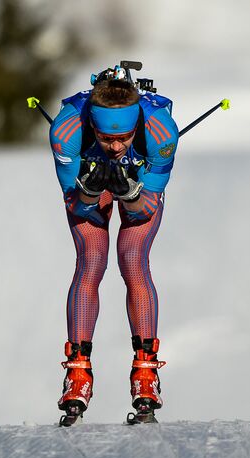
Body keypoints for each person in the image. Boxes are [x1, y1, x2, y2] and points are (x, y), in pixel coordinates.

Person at [49, 65, 178, 425]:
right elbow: (75, 202)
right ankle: (77, 372)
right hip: (88, 185)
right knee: (91, 262)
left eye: (124, 137)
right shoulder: (66, 131)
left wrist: (131, 192)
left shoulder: (160, 130)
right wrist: (90, 191)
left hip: (137, 185)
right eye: (107, 139)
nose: (117, 146)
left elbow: (144, 210)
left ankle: (146, 374)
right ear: (92, 125)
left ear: (137, 123)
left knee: (132, 260)